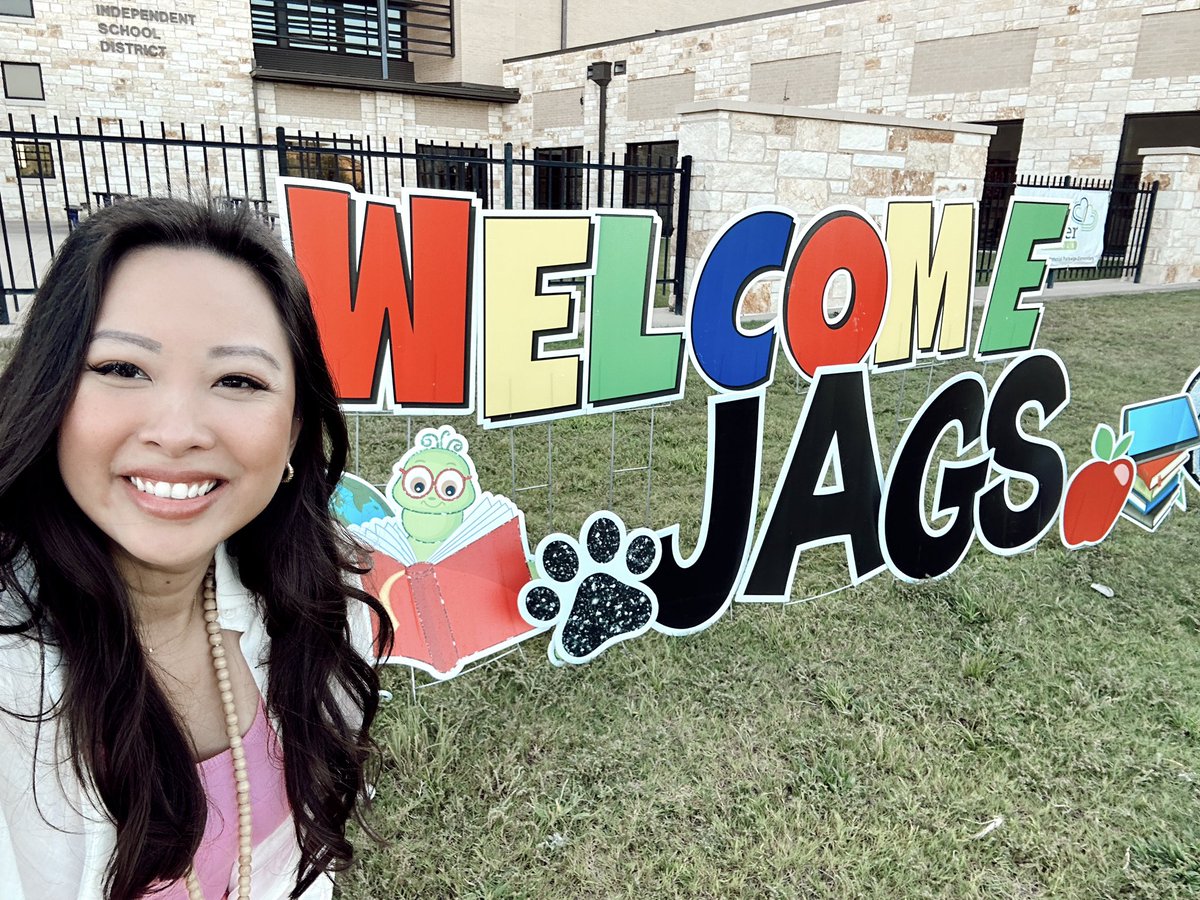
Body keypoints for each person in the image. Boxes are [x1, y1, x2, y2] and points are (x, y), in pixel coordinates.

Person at [0, 197, 393, 899]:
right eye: (122, 369)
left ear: (293, 429)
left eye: (238, 380)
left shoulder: (318, 596)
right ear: (51, 390)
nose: (178, 431)